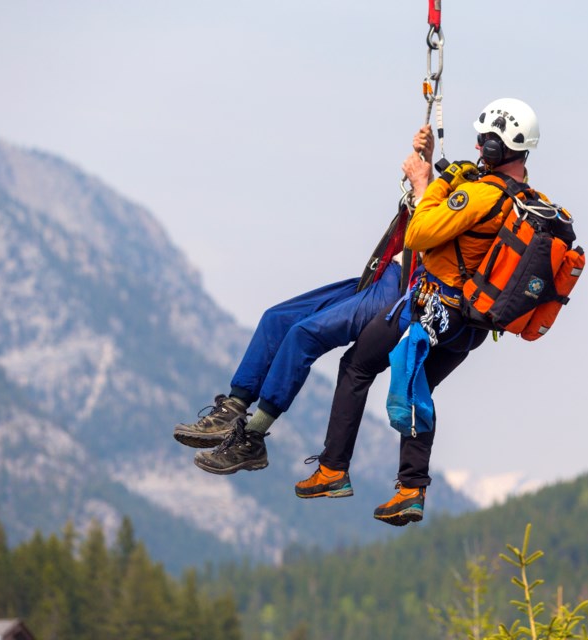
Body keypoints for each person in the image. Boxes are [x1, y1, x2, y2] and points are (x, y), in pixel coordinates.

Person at [292, 98, 554, 526]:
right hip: (470, 326)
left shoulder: (478, 194)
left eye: (483, 140)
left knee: (357, 366)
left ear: (495, 146)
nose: (476, 145)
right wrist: (439, 169)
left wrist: (424, 181)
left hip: (433, 307)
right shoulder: (528, 199)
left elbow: (418, 232)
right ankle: (411, 489)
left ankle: (333, 468)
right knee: (417, 387)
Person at [174, 126, 435, 476]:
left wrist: (422, 183)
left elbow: (434, 230)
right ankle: (233, 407)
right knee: (276, 318)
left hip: (398, 291)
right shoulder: (457, 189)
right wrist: (426, 163)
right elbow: (429, 208)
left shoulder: (475, 204)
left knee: (303, 334)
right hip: (381, 275)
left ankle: (252, 437)